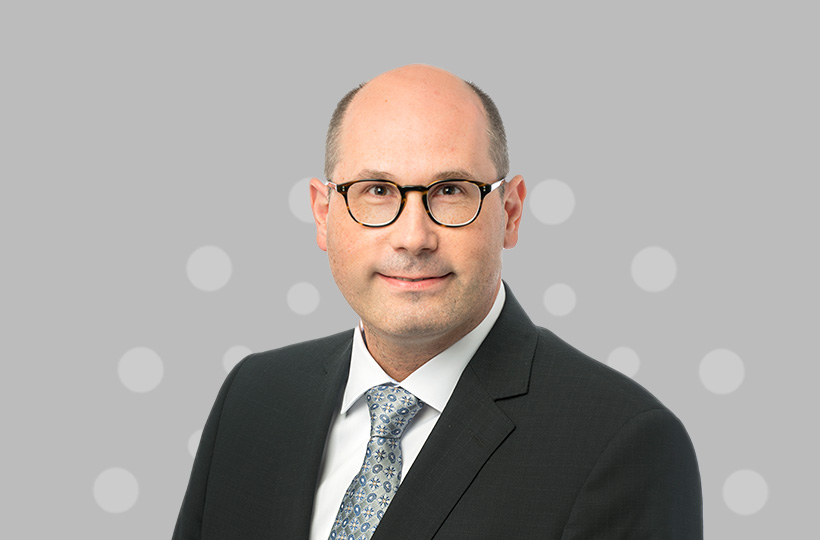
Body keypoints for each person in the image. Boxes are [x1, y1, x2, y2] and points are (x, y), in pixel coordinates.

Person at [172, 64, 702, 540]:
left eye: (450, 190)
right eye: (376, 190)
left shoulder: (621, 443)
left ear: (510, 213)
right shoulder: (254, 397)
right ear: (323, 214)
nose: (413, 238)